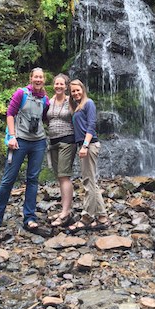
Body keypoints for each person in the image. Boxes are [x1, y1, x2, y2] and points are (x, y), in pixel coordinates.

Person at [0, 67, 49, 233]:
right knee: (8, 179)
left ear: (44, 80)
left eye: (41, 77)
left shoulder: (45, 100)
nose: (38, 80)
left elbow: (46, 118)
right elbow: (10, 114)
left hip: (38, 142)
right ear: (31, 78)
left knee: (33, 179)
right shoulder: (21, 93)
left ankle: (30, 218)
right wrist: (11, 136)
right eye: (36, 77)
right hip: (19, 141)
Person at [67, 79, 109, 232]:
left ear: (83, 90)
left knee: (88, 182)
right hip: (85, 145)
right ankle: (102, 217)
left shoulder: (88, 103)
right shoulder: (76, 107)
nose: (76, 93)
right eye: (73, 91)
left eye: (78, 90)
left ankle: (86, 217)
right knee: (92, 182)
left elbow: (91, 125)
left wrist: (84, 145)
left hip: (89, 145)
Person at [46, 74, 77, 227]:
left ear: (66, 87)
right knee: (60, 176)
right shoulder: (49, 101)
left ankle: (66, 211)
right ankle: (65, 209)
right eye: (56, 84)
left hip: (67, 140)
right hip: (53, 142)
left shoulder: (71, 101)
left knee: (64, 175)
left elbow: (79, 116)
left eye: (61, 84)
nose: (58, 86)